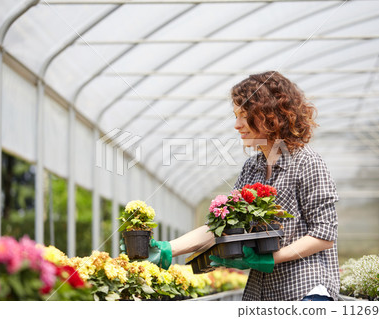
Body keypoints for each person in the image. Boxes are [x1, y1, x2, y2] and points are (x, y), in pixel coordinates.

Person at [135, 71, 340, 301]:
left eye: (243, 115)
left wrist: (271, 258)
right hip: (262, 293)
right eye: (236, 116)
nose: (236, 125)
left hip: (305, 292)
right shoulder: (252, 168)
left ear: (270, 114)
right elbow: (221, 225)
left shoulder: (307, 161)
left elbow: (324, 234)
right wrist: (168, 248)